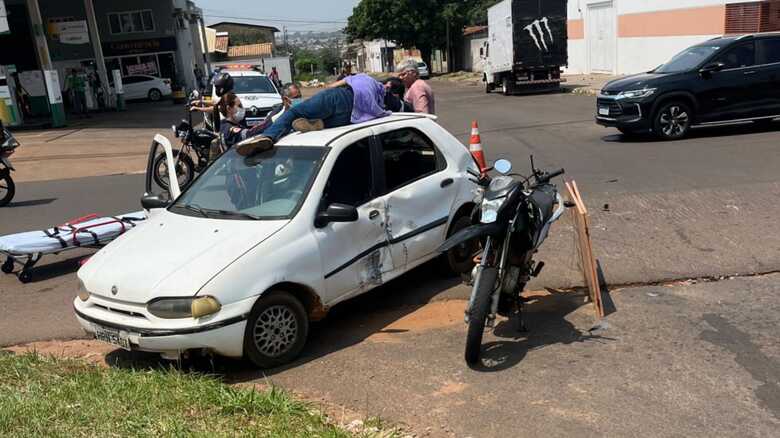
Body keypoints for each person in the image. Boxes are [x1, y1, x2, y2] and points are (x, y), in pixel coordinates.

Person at [235, 73, 391, 157]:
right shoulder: (378, 100)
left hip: (339, 98)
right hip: (350, 117)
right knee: (327, 123)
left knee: (295, 112)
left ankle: (268, 137)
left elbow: (336, 84)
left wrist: (325, 92)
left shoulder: (362, 77)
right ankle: (318, 124)